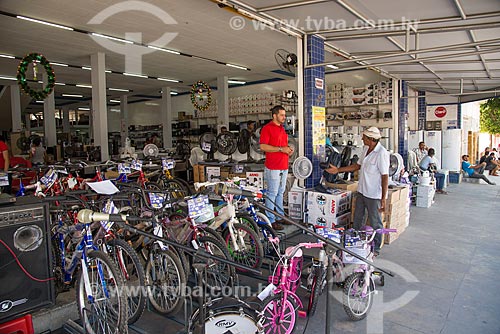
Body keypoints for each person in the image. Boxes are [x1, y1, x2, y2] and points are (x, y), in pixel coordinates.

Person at [326, 127, 389, 256]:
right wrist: (338, 170)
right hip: (362, 191)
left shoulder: (382, 153)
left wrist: (383, 197)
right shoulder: (365, 149)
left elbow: (385, 176)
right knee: (357, 219)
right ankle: (355, 242)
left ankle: (376, 249)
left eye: (364, 137)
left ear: (371, 139)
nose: (362, 139)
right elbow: (357, 166)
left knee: (375, 222)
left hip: (374, 194)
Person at [260, 105, 294, 231]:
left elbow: (282, 145)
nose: (284, 117)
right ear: (274, 115)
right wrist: (280, 149)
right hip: (273, 166)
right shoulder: (267, 128)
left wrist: (287, 150)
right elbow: (263, 146)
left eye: (285, 115)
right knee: (272, 193)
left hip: (283, 165)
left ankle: (279, 216)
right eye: (282, 115)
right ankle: (270, 220)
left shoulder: (282, 129)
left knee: (280, 192)